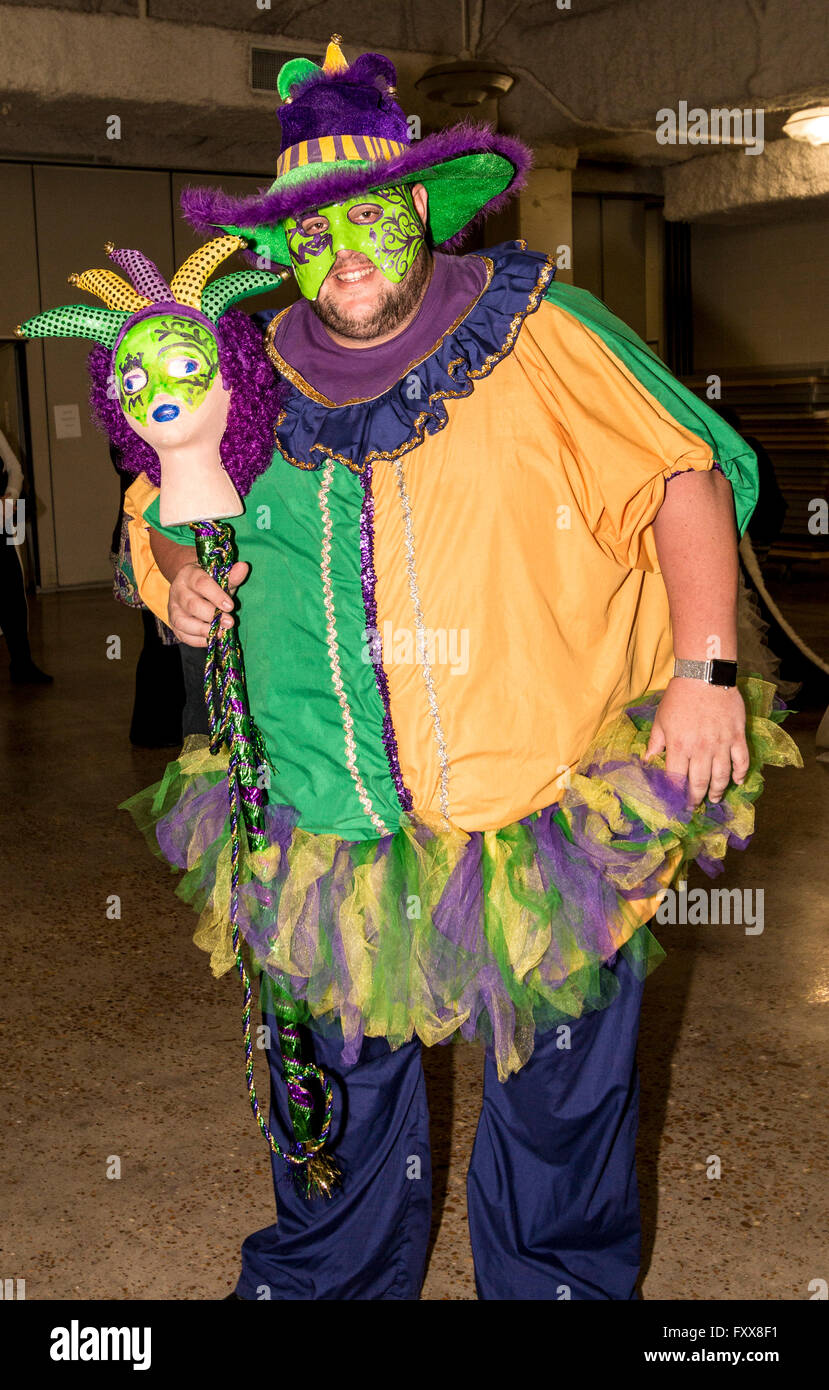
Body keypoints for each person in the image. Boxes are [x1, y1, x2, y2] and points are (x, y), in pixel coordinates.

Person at [120, 38, 800, 1300]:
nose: (349, 258)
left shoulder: (536, 329)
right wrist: (180, 581)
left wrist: (706, 668)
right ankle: (327, 1285)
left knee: (559, 1096)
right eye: (315, 237)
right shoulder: (242, 372)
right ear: (283, 251)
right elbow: (169, 500)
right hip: (329, 808)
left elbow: (681, 470)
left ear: (421, 211)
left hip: (542, 801)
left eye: (371, 222)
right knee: (333, 1100)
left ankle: (552, 1287)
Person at [0, 422, 51, 684]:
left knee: (12, 593)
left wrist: (11, 495)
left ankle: (22, 663)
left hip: (2, 522)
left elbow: (15, 469)